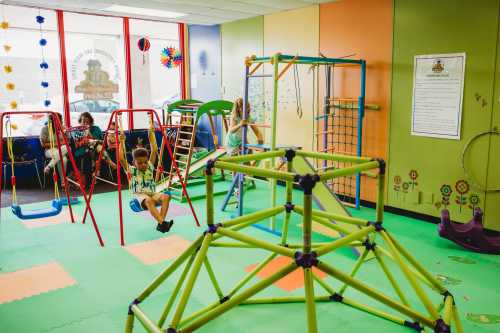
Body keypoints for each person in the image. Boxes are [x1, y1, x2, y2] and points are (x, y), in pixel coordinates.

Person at [118, 129, 173, 233]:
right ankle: (162, 223)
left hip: (152, 193)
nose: (143, 164)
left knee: (166, 196)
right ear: (134, 163)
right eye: (140, 163)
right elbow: (121, 158)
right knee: (148, 200)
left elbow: (154, 149)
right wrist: (121, 142)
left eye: (145, 162)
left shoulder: (150, 167)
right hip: (140, 196)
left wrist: (150, 134)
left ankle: (161, 223)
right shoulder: (132, 171)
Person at [40, 113, 68, 180]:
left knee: (67, 148)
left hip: (62, 149)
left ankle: (49, 166)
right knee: (63, 159)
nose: (59, 122)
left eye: (59, 120)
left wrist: (54, 143)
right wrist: (58, 143)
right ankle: (63, 181)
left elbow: (66, 142)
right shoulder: (45, 129)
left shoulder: (63, 128)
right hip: (49, 150)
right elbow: (43, 144)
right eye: (55, 120)